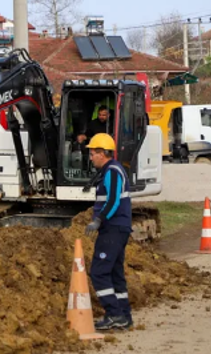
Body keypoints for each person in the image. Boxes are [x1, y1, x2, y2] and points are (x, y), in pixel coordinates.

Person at [84, 133, 133, 330]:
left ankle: (114, 314)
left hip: (112, 229)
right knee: (115, 272)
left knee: (99, 271)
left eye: (93, 153)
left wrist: (98, 220)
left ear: (102, 153)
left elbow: (113, 201)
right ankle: (124, 315)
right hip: (119, 228)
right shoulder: (111, 171)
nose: (90, 157)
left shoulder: (112, 171)